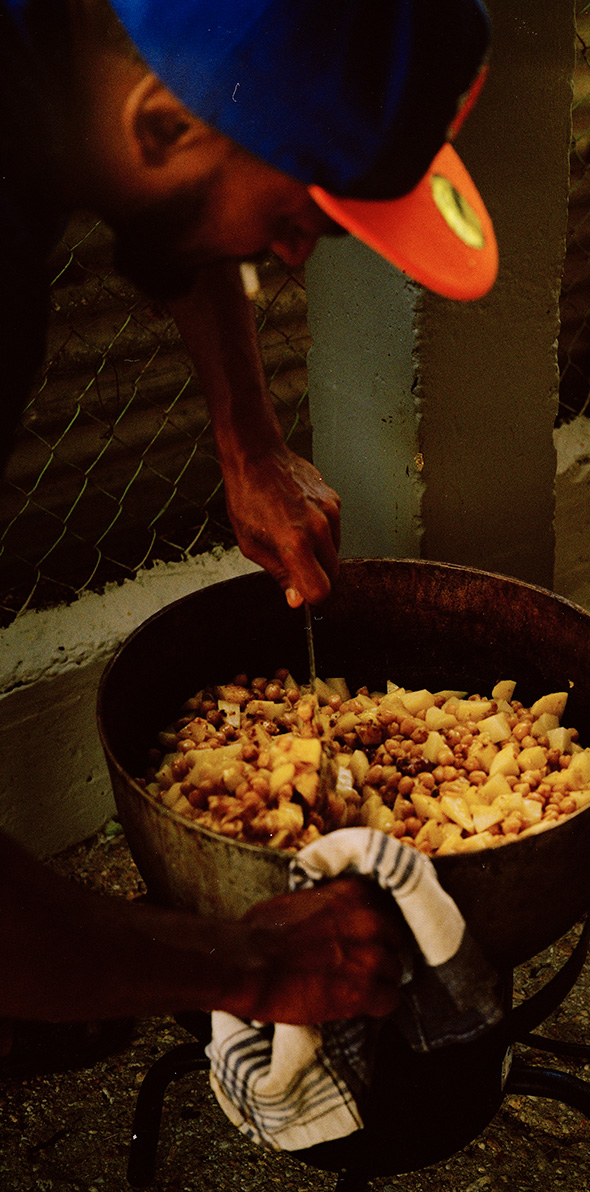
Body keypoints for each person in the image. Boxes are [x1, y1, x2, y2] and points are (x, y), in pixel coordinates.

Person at [0, 0, 497, 1047]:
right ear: (162, 125)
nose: (294, 258)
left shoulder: (81, 52)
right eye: (296, 220)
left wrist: (249, 439)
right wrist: (253, 965)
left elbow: (184, 204)